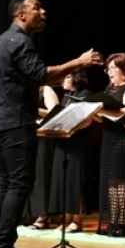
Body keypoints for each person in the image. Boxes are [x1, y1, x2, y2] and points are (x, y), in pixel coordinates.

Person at [0, 0, 102, 248]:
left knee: (5, 183)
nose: (42, 12)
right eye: (36, 8)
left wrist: (63, 71)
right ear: (20, 14)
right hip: (15, 122)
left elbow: (39, 76)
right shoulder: (20, 42)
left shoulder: (1, 41)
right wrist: (78, 62)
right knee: (19, 184)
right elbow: (42, 75)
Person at [96, 52, 125, 237]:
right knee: (110, 180)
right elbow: (102, 118)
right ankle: (112, 221)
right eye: (109, 68)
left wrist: (104, 110)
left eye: (114, 68)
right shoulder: (108, 90)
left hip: (124, 138)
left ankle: (123, 222)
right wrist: (95, 112)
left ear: (124, 69)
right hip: (109, 137)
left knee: (121, 179)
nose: (110, 71)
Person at [48, 69, 93, 233]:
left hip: (77, 141)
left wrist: (69, 127)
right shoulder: (66, 96)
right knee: (63, 179)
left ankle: (77, 220)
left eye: (67, 76)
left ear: (76, 77)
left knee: (76, 179)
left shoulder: (85, 94)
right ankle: (66, 219)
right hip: (64, 140)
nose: (63, 80)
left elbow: (87, 120)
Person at [25, 85, 59, 230]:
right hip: (26, 135)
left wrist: (34, 109)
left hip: (43, 136)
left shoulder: (45, 90)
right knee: (26, 175)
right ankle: (28, 214)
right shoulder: (24, 90)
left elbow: (56, 113)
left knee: (41, 175)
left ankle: (43, 216)